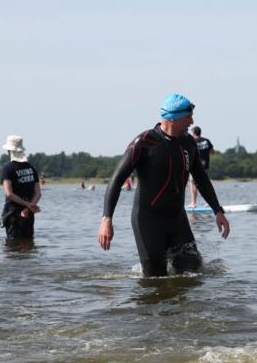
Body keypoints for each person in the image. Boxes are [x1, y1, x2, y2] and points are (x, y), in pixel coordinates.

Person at [98, 93, 230, 276]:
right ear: (173, 118)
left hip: (178, 219)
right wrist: (107, 220)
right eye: (188, 116)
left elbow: (201, 179)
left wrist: (218, 210)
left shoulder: (188, 143)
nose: (191, 121)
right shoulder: (144, 142)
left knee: (193, 272)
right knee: (155, 279)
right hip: (148, 220)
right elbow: (117, 179)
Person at [0, 135, 41, 241]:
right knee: (28, 243)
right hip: (28, 213)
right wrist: (28, 207)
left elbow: (9, 194)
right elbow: (38, 194)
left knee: (13, 246)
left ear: (9, 151)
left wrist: (27, 205)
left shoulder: (8, 168)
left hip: (13, 213)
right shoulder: (32, 168)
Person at [187, 126, 214, 208]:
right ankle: (208, 203)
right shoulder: (206, 141)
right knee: (205, 183)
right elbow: (212, 152)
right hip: (205, 166)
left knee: (192, 183)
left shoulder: (191, 141)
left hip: (194, 166)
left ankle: (193, 203)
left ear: (194, 132)